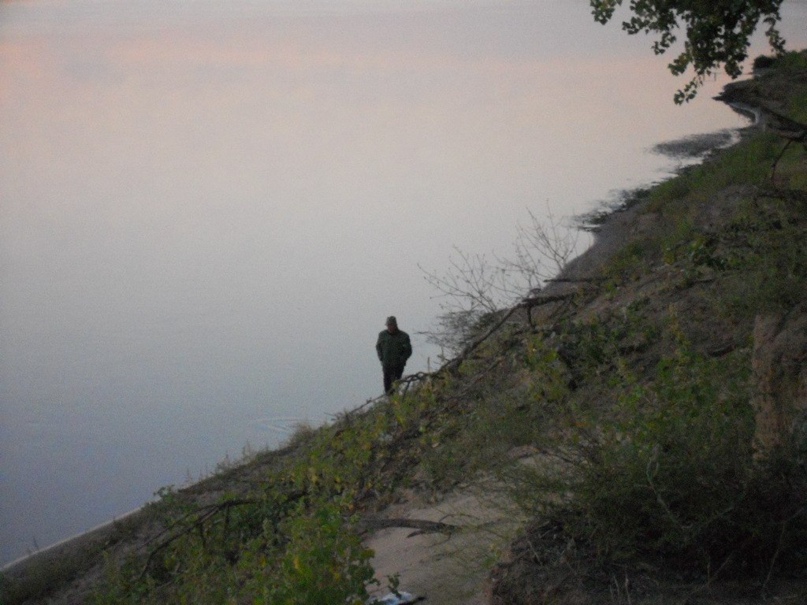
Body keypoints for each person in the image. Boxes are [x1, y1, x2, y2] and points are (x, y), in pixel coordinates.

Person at [375, 316, 412, 394]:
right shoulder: (382, 335)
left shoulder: (404, 336)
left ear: (395, 325)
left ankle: (396, 401)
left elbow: (408, 351)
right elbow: (378, 347)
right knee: (387, 386)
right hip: (386, 365)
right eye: (388, 325)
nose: (389, 327)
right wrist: (381, 358)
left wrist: (402, 359)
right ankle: (389, 401)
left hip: (398, 366)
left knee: (395, 385)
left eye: (391, 325)